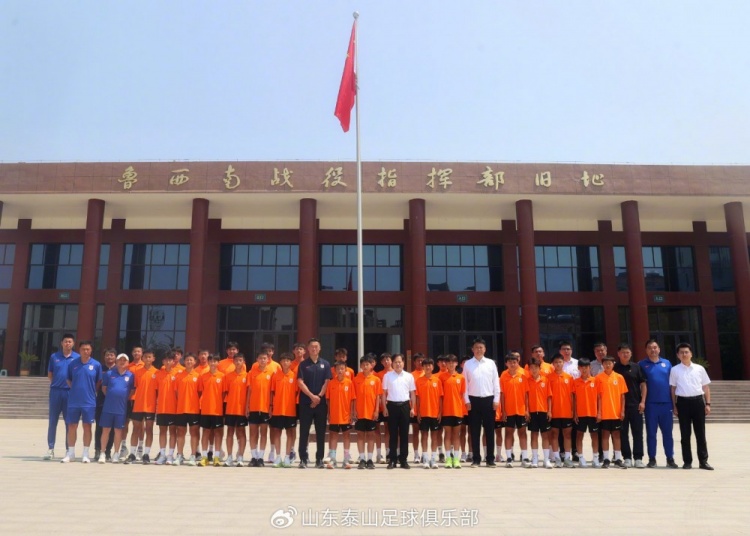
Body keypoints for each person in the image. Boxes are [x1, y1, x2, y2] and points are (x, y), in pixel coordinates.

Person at [669, 342, 712, 470]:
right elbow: (673, 389)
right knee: (685, 434)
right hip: (682, 403)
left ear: (691, 354)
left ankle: (703, 461)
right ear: (678, 355)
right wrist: (674, 406)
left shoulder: (699, 369)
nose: (684, 354)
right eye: (681, 352)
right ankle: (687, 461)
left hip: (698, 402)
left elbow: (705, 387)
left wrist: (708, 404)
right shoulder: (675, 370)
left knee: (700, 433)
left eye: (686, 352)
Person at [639, 339, 678, 468]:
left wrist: (674, 404)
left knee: (668, 433)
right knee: (651, 433)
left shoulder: (667, 363)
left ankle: (670, 458)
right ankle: (652, 458)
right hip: (650, 404)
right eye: (650, 348)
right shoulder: (641, 364)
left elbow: (673, 385)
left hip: (666, 404)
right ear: (646, 350)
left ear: (659, 349)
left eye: (655, 347)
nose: (653, 350)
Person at [62, 340, 102, 463]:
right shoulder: (72, 364)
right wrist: (75, 388)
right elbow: (68, 379)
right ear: (79, 350)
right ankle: (71, 453)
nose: (85, 351)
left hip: (89, 401)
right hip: (74, 401)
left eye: (87, 349)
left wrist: (90, 390)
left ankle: (85, 453)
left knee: (87, 426)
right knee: (71, 426)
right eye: (83, 349)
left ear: (91, 350)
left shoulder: (96, 365)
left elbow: (98, 382)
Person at [462, 338, 500, 468]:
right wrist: (467, 400)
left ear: (485, 349)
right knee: (474, 431)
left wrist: (496, 399)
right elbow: (465, 384)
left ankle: (490, 459)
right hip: (473, 400)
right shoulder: (468, 364)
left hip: (489, 400)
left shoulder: (490, 363)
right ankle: (476, 459)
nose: (479, 350)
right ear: (472, 349)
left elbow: (496, 382)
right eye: (476, 347)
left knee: (489, 430)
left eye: (481, 347)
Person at [297, 338, 331, 469]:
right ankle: (303, 459)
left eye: (316, 346)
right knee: (304, 431)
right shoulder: (303, 364)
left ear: (320, 348)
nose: (314, 349)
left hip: (321, 404)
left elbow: (326, 382)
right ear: (308, 349)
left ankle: (319, 459)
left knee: (320, 432)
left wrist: (319, 397)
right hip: (306, 403)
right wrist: (312, 396)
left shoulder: (325, 364)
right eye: (312, 346)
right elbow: (300, 382)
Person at [45, 333, 79, 460]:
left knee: (69, 422)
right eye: (65, 341)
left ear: (73, 343)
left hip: (70, 393)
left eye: (70, 341)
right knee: (52, 421)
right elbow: (50, 374)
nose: (67, 344)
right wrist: (56, 384)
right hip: (56, 392)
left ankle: (68, 450)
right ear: (61, 343)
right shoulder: (54, 357)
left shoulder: (77, 358)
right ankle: (50, 449)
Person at [614, 343, 647, 468]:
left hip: (635, 405)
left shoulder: (636, 367)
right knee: (622, 433)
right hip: (619, 406)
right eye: (623, 352)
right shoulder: (614, 368)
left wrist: (642, 401)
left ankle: (638, 458)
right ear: (618, 354)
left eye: (627, 352)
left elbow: (643, 384)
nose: (625, 354)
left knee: (637, 432)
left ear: (631, 354)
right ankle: (627, 457)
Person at [98, 353, 135, 463]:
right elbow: (104, 389)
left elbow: (131, 391)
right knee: (105, 430)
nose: (122, 362)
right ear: (116, 361)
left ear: (128, 363)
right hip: (108, 407)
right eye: (120, 360)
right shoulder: (109, 373)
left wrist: (122, 398)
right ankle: (102, 453)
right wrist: (112, 396)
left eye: (124, 360)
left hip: (121, 408)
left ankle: (116, 453)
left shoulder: (131, 375)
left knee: (118, 431)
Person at [382, 353, 416, 469]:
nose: (398, 364)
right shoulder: (387, 376)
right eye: (396, 362)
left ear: (403, 363)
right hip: (392, 406)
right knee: (393, 434)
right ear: (392, 363)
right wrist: (384, 407)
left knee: (404, 434)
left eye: (400, 362)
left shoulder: (409, 376)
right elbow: (384, 393)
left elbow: (412, 394)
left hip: (405, 406)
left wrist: (413, 408)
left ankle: (403, 459)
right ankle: (392, 459)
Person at [596, 355, 628, 469]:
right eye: (605, 363)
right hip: (604, 413)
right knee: (605, 435)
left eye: (610, 363)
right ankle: (606, 459)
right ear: (602, 365)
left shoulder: (619, 377)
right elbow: (598, 397)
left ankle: (618, 459)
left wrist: (622, 410)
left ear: (613, 364)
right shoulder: (598, 378)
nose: (607, 365)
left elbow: (622, 396)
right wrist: (599, 412)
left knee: (616, 435)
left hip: (616, 412)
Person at [128, 349, 159, 464]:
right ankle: (132, 454)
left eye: (150, 357)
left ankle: (146, 454)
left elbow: (158, 391)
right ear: (143, 358)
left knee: (149, 429)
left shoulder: (157, 373)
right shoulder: (138, 372)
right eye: (145, 357)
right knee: (135, 429)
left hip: (150, 406)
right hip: (138, 405)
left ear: (153, 359)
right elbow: (134, 387)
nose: (147, 359)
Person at [325, 360, 357, 469]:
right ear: (334, 370)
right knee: (333, 435)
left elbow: (353, 399)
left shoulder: (349, 383)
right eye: (338, 368)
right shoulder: (331, 383)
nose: (340, 370)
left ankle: (346, 459)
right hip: (334, 415)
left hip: (346, 415)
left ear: (345, 370)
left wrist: (352, 413)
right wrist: (328, 413)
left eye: (342, 368)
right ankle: (333, 459)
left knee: (346, 435)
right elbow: (328, 400)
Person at [500, 352, 530, 468]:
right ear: (506, 364)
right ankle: (509, 457)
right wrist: (503, 411)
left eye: (514, 362)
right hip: (509, 410)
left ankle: (525, 457)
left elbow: (526, 394)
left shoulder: (523, 376)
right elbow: (502, 395)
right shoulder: (503, 376)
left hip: (521, 410)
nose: (512, 364)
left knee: (522, 433)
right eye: (510, 362)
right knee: (508, 433)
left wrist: (527, 409)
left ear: (518, 363)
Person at [269, 352, 298, 468]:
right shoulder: (275, 375)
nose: (285, 362)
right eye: (283, 360)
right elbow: (272, 392)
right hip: (277, 409)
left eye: (288, 360)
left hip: (290, 410)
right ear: (280, 362)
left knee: (290, 433)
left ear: (291, 363)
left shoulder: (294, 376)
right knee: (277, 432)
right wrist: (271, 406)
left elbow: (297, 393)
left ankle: (287, 456)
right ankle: (278, 456)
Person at [353, 354, 382, 469]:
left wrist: (376, 410)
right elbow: (353, 397)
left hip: (371, 412)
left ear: (371, 366)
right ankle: (362, 458)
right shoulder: (356, 379)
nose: (365, 366)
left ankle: (370, 459)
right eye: (363, 364)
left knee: (371, 435)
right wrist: (354, 411)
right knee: (360, 435)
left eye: (367, 364)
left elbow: (378, 396)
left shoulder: (376, 380)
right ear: (360, 366)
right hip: (359, 412)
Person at [154, 352, 182, 465]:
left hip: (173, 408)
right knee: (162, 431)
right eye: (166, 360)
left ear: (173, 361)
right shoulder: (158, 374)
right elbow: (156, 391)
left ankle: (170, 455)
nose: (168, 362)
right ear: (163, 362)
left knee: (172, 431)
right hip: (161, 408)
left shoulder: (178, 374)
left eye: (170, 360)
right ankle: (162, 455)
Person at [415, 357, 443, 469]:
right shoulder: (418, 381)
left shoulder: (437, 381)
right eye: (425, 365)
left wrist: (440, 412)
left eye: (429, 365)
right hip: (423, 413)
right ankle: (425, 458)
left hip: (435, 413)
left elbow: (440, 398)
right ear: (423, 367)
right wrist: (418, 412)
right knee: (424, 436)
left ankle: (433, 459)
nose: (427, 367)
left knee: (434, 436)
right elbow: (417, 398)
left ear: (433, 367)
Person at [197, 354, 224, 466]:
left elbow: (224, 393)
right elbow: (200, 392)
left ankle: (216, 457)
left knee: (218, 433)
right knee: (206, 432)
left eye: (215, 361)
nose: (213, 363)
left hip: (217, 410)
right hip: (206, 409)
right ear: (208, 363)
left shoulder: (222, 376)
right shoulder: (203, 376)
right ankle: (204, 457)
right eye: (211, 361)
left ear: (218, 363)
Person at [548, 353, 575, 468]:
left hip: (567, 411)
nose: (558, 364)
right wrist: (549, 410)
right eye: (556, 362)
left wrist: (573, 410)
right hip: (554, 412)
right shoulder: (549, 378)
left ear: (563, 363)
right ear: (553, 364)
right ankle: (557, 458)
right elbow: (548, 396)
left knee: (567, 435)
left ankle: (567, 458)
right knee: (554, 435)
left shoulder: (569, 378)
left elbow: (573, 396)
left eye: (560, 362)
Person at [573, 358, 600, 468]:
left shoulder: (595, 381)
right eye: (582, 367)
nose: (584, 370)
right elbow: (574, 399)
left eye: (586, 367)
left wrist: (599, 412)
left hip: (593, 413)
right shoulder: (575, 382)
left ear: (590, 368)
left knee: (594, 435)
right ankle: (581, 458)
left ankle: (595, 458)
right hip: (580, 414)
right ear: (578, 368)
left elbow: (599, 398)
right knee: (579, 435)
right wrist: (575, 413)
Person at [174, 353, 201, 466]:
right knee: (180, 432)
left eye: (191, 360)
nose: (189, 362)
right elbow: (176, 392)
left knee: (194, 432)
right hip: (181, 408)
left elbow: (200, 392)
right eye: (187, 360)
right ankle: (179, 455)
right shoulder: (179, 375)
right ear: (184, 362)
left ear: (195, 362)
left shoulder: (198, 376)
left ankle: (193, 455)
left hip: (194, 409)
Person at [222, 352, 248, 467]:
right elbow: (225, 393)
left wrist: (247, 407)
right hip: (230, 409)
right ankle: (229, 456)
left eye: (240, 360)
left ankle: (240, 456)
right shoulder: (228, 376)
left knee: (241, 432)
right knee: (230, 432)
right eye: (236, 360)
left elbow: (249, 393)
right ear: (233, 362)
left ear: (243, 362)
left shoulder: (247, 376)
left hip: (242, 409)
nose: (238, 362)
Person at [526, 357, 553, 468]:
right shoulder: (527, 381)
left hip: (543, 411)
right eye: (531, 368)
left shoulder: (545, 380)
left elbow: (549, 397)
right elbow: (526, 397)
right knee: (534, 435)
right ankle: (535, 459)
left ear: (539, 368)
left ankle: (546, 459)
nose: (534, 370)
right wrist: (526, 410)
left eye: (536, 367)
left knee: (545, 435)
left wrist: (549, 411)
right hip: (532, 412)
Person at [247, 351, 273, 467]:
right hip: (253, 407)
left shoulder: (271, 373)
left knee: (263, 433)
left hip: (265, 408)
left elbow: (272, 392)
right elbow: (249, 391)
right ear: (257, 360)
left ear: (268, 360)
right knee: (253, 433)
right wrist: (247, 406)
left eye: (264, 358)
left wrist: (271, 406)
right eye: (260, 358)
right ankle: (254, 456)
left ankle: (261, 457)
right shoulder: (251, 373)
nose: (263, 360)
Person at [441, 354, 466, 468]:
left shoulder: (461, 378)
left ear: (456, 364)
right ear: (446, 364)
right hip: (446, 410)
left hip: (457, 410)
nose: (451, 364)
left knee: (456, 435)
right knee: (447, 434)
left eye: (453, 362)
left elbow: (462, 394)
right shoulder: (442, 377)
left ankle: (456, 459)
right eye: (449, 362)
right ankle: (448, 458)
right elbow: (440, 396)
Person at [94, 347, 116, 461]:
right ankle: (98, 450)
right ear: (104, 357)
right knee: (99, 426)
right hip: (101, 402)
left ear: (115, 357)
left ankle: (108, 451)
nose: (109, 357)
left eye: (112, 355)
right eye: (107, 355)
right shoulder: (99, 368)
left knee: (112, 428)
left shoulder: (119, 369)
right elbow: (96, 384)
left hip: (114, 403)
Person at [375, 352, 393, 463]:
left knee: (388, 429)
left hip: (389, 405)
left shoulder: (394, 373)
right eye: (384, 360)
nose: (386, 362)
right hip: (379, 406)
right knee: (377, 429)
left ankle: (388, 452)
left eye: (388, 359)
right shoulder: (378, 375)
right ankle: (378, 454)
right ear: (381, 362)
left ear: (391, 361)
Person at [410, 353, 426, 464]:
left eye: (422, 360)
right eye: (418, 361)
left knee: (424, 432)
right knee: (415, 431)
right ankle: (416, 454)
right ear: (414, 362)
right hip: (414, 407)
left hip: (426, 408)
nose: (420, 363)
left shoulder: (428, 374)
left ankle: (425, 454)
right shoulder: (411, 376)